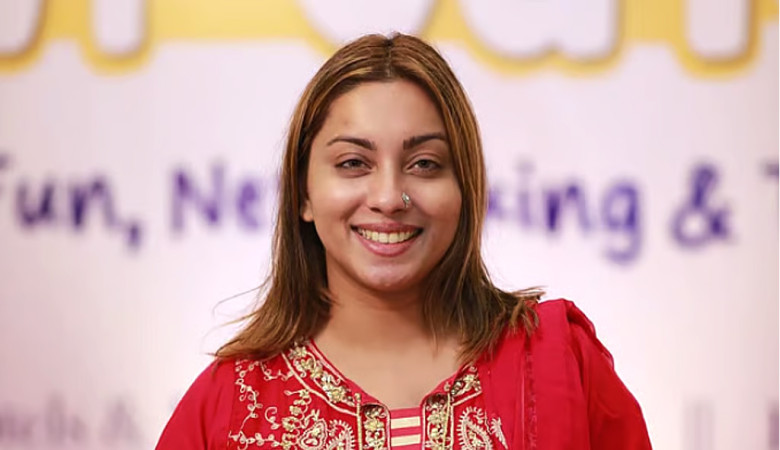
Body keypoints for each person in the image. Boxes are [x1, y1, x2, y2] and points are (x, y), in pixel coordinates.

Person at [156, 33, 652, 450]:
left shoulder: (558, 363)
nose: (390, 197)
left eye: (425, 164)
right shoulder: (228, 407)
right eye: (354, 163)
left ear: (465, 189)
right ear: (303, 194)